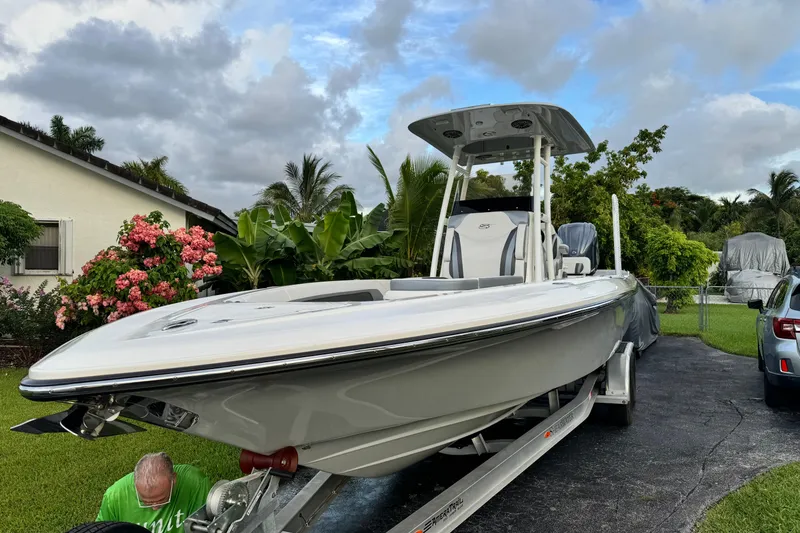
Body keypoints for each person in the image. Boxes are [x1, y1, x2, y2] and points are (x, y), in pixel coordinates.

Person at [96, 452, 212, 533]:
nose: (155, 507)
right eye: (146, 502)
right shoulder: (114, 496)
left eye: (161, 499)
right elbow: (100, 530)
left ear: (174, 479)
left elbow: (205, 525)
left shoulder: (195, 482)